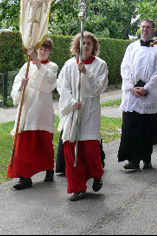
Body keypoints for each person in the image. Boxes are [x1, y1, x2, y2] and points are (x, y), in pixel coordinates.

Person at [57, 32, 108, 201]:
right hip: (74, 110)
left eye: (88, 43)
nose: (85, 46)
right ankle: (77, 188)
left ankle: (96, 174)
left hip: (91, 110)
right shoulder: (70, 64)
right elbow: (62, 85)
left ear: (93, 47)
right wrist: (71, 102)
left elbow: (98, 89)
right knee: (72, 149)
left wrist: (86, 73)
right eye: (82, 43)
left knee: (90, 149)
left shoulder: (100, 65)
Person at [7, 39, 58, 190]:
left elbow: (48, 82)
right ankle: (24, 176)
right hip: (27, 107)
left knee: (43, 143)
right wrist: (20, 86)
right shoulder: (27, 65)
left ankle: (49, 168)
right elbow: (17, 81)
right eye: (40, 49)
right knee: (23, 144)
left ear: (49, 51)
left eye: (45, 49)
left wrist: (35, 58)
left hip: (41, 109)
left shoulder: (52, 66)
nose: (42, 51)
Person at [118, 19, 157, 170]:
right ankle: (132, 160)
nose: (145, 29)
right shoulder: (131, 47)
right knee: (131, 127)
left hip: (149, 94)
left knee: (146, 128)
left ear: (153, 30)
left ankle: (146, 158)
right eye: (143, 27)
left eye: (148, 27)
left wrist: (147, 88)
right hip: (132, 94)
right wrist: (131, 86)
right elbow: (124, 67)